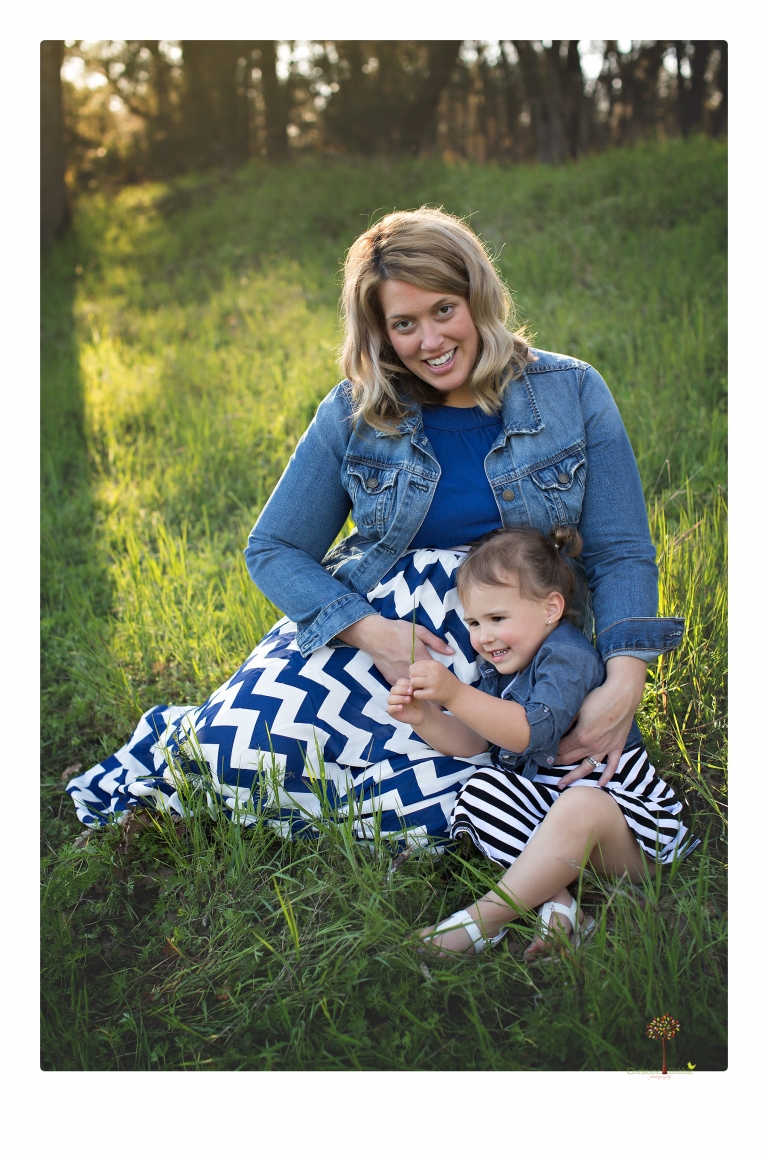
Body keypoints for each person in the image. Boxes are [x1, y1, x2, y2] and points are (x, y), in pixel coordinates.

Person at [66, 206, 685, 855]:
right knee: (227, 754)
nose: (430, 341)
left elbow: (620, 551)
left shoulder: (571, 392)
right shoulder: (355, 411)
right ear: (381, 332)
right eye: (404, 324)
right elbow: (274, 548)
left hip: (516, 646)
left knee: (496, 798)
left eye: (444, 309)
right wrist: (372, 633)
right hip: (381, 627)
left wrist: (625, 679)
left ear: (478, 297)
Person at [386, 526, 697, 957]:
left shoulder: (566, 655)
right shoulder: (501, 669)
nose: (483, 637)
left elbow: (533, 732)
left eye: (497, 619)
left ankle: (482, 921)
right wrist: (424, 717)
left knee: (581, 805)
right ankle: (560, 904)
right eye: (474, 623)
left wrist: (456, 695)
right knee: (479, 791)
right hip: (554, 817)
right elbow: (478, 742)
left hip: (626, 831)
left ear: (551, 608)